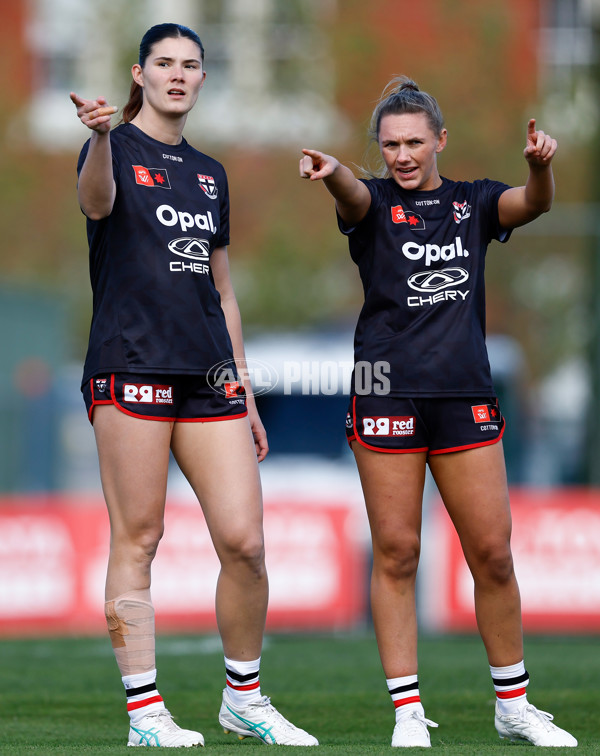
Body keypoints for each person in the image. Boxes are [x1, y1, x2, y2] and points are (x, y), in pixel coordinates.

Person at [299, 76, 577, 749]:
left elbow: (531, 206)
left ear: (439, 141)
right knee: (397, 552)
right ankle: (406, 711)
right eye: (390, 144)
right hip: (386, 393)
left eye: (414, 142)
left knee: (493, 554)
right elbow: (354, 194)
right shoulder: (370, 206)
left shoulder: (474, 202)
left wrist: (539, 170)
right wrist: (335, 171)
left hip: (465, 398)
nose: (401, 154)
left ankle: (513, 705)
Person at [71, 22, 318, 749]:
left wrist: (242, 392)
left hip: (208, 376)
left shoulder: (211, 174)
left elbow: (225, 292)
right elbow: (94, 203)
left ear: (204, 79)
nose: (178, 74)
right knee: (140, 536)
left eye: (191, 65)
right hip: (132, 366)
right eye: (164, 63)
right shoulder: (109, 149)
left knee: (245, 542)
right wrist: (104, 137)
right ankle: (144, 714)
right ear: (139, 74)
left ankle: (243, 698)